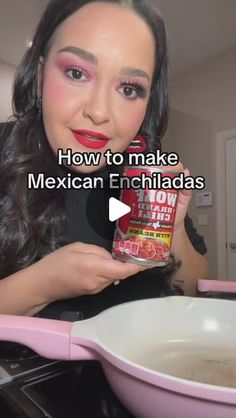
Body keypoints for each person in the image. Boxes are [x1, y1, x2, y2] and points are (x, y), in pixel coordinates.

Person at [0, 0, 209, 320]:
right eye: (76, 73)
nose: (99, 112)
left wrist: (174, 229)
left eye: (129, 89)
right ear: (41, 76)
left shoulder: (146, 176)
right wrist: (41, 285)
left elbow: (196, 290)